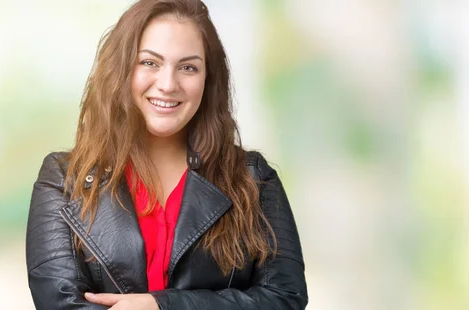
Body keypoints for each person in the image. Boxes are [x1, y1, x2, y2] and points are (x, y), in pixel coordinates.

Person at [25, 0, 308, 309]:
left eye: (188, 67)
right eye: (149, 62)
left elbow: (284, 299)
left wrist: (162, 306)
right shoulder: (64, 180)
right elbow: (60, 304)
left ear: (208, 79)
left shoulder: (253, 179)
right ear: (121, 68)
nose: (168, 84)